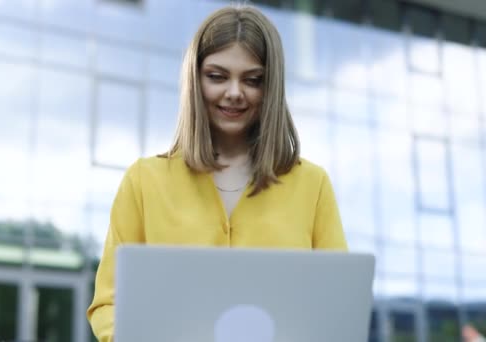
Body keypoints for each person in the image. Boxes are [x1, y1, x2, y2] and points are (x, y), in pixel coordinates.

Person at [87, 5, 347, 341]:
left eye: (252, 80)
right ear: (195, 80)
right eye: (217, 76)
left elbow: (336, 305)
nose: (235, 92)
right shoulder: (143, 181)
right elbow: (108, 304)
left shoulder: (313, 186)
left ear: (271, 87)